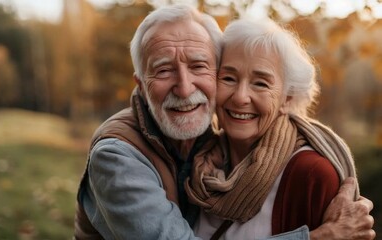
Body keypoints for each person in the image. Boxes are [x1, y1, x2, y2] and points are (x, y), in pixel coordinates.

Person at [74, 4, 375, 240]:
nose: (184, 87)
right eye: (164, 70)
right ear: (140, 84)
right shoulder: (118, 157)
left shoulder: (310, 173)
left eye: (198, 66)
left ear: (286, 99)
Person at [185, 17, 374, 240]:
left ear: (287, 99)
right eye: (228, 78)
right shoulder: (197, 164)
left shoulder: (311, 174)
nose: (240, 97)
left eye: (261, 83)